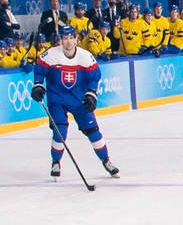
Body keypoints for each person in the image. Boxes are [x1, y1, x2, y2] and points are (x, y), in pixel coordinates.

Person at [31, 22, 119, 180]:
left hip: (79, 101)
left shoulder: (85, 56)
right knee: (60, 131)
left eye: (71, 38)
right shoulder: (51, 54)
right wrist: (38, 84)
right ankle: (56, 162)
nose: (68, 41)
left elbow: (94, 77)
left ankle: (106, 160)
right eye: (65, 38)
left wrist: (91, 94)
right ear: (61, 40)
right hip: (57, 100)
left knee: (93, 131)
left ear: (76, 40)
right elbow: (40, 69)